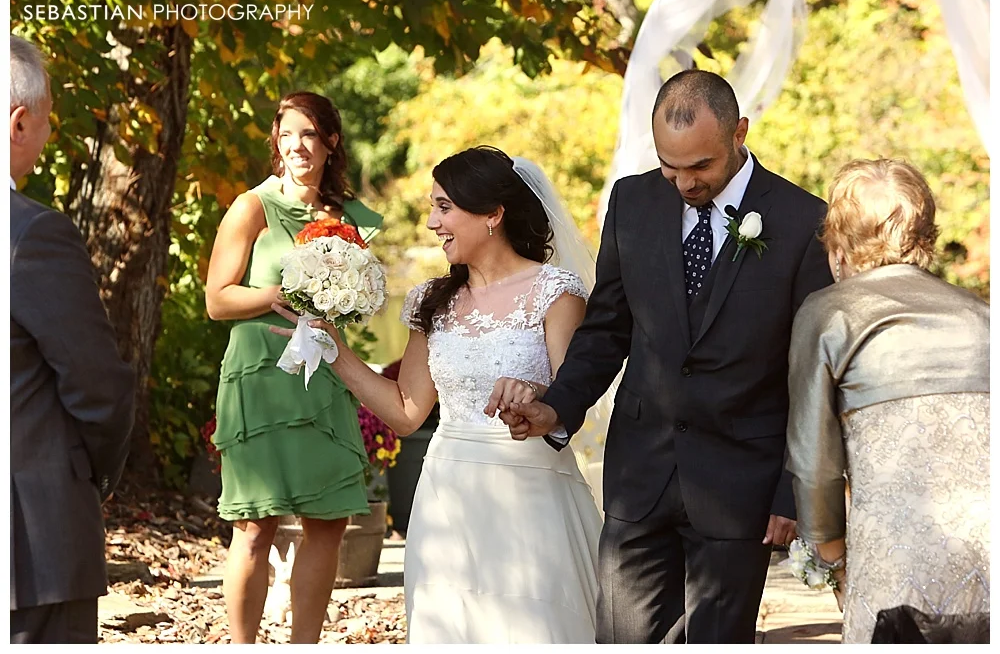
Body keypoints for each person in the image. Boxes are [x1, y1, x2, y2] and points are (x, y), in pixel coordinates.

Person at [496, 70, 833, 643]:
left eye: (699, 166)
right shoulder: (632, 200)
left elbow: (810, 375)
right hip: (640, 477)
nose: (683, 182)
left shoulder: (804, 221)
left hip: (739, 482)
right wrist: (557, 407)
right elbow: (607, 327)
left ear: (739, 133)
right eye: (669, 165)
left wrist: (792, 491)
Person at [270, 146, 604, 643]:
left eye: (444, 207)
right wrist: (336, 352)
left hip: (532, 499)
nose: (431, 222)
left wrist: (533, 395)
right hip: (447, 499)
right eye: (432, 207)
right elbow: (406, 413)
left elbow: (573, 398)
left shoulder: (556, 292)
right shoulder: (431, 300)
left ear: (493, 214)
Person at [784, 158, 989, 644]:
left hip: (894, 555)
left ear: (838, 245)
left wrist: (832, 561)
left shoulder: (827, 313)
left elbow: (815, 461)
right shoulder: (982, 315)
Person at [204, 91, 382, 644]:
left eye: (308, 134)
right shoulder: (252, 206)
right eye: (286, 135)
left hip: (325, 376)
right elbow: (217, 299)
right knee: (255, 525)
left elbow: (359, 296)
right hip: (262, 375)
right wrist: (279, 291)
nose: (296, 146)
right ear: (276, 144)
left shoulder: (353, 218)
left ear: (330, 142)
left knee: (327, 520)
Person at [9, 33, 135, 644]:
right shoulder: (32, 236)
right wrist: (95, 476)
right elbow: (98, 388)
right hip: (29, 545)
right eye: (49, 120)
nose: (49, 136)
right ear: (19, 121)